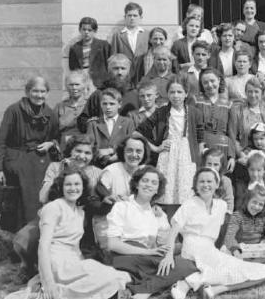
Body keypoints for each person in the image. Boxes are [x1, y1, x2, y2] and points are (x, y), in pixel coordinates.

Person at [0, 168, 131, 299]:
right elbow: (43, 246)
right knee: (111, 277)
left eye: (77, 184)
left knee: (118, 276)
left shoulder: (80, 211)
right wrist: (48, 282)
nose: (73, 188)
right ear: (61, 187)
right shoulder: (53, 208)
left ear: (83, 187)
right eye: (68, 185)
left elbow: (74, 246)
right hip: (56, 262)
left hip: (72, 262)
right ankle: (48, 298)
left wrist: (81, 266)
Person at [161, 168, 265, 299]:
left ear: (216, 184)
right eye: (201, 181)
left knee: (264, 271)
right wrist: (168, 255)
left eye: (209, 181)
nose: (205, 185)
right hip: (192, 247)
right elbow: (173, 232)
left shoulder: (221, 206)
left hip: (210, 249)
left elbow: (221, 232)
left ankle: (210, 288)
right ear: (196, 185)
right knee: (228, 269)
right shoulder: (189, 204)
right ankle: (185, 285)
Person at [14, 135, 102, 283]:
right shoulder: (55, 167)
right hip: (52, 216)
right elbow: (42, 197)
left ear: (93, 156)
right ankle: (27, 265)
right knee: (23, 240)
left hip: (80, 220)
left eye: (87, 153)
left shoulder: (97, 173)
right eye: (78, 151)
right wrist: (64, 172)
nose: (82, 156)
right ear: (70, 151)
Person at [105, 166, 198, 299]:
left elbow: (164, 244)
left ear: (157, 189)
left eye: (154, 183)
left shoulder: (157, 213)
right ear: (136, 184)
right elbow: (113, 244)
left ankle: (134, 291)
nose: (149, 185)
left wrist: (161, 219)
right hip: (126, 256)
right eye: (145, 180)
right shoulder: (122, 206)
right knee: (182, 267)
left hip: (148, 259)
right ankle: (143, 288)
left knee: (187, 264)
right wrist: (148, 252)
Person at [0, 76, 59, 231]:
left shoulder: (49, 113)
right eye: (35, 91)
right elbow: (1, 139)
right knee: (17, 202)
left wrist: (51, 143)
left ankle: (35, 234)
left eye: (43, 91)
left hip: (39, 162)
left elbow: (57, 137)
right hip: (16, 160)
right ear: (27, 92)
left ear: (47, 93)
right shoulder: (14, 110)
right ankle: (16, 238)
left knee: (38, 199)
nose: (39, 95)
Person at [137, 76, 199, 205]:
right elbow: (137, 133)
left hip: (187, 155)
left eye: (179, 92)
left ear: (186, 93)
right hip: (168, 154)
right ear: (167, 94)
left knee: (186, 192)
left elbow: (201, 135)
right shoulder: (162, 112)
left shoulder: (193, 112)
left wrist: (199, 154)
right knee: (166, 191)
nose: (175, 95)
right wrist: (156, 148)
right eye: (172, 92)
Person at [94, 136, 149, 247]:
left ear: (144, 154)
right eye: (129, 150)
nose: (134, 155)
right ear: (122, 151)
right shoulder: (111, 171)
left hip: (135, 223)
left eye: (138, 151)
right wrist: (108, 197)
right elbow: (99, 189)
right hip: (110, 223)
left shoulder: (146, 171)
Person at [77, 54, 139, 133]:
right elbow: (82, 121)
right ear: (109, 70)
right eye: (116, 68)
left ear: (128, 71)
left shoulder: (136, 95)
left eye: (123, 68)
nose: (119, 72)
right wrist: (93, 124)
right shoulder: (98, 95)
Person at [228, 77, 265, 167]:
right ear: (246, 92)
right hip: (245, 157)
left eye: (256, 92)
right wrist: (241, 155)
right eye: (249, 91)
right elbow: (232, 137)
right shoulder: (236, 111)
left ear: (262, 93)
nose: (252, 95)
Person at [224, 185, 265, 261]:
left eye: (260, 204)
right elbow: (229, 236)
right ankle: (249, 263)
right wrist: (236, 251)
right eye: (254, 202)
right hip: (241, 249)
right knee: (225, 249)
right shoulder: (237, 216)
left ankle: (256, 263)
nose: (256, 207)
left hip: (258, 248)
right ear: (247, 201)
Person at [193, 67, 235, 169]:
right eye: (205, 82)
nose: (210, 85)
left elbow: (231, 133)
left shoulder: (228, 105)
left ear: (219, 80)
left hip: (222, 148)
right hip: (201, 148)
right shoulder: (196, 101)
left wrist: (232, 156)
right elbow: (192, 128)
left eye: (212, 81)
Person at [86, 87, 135, 168]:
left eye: (112, 104)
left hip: (122, 165)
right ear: (101, 105)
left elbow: (132, 145)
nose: (108, 107)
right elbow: (88, 147)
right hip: (99, 166)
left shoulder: (128, 123)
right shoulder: (93, 124)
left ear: (119, 104)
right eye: (104, 104)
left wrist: (112, 150)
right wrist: (100, 153)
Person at [68, 16, 111, 90]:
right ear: (80, 30)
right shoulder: (75, 48)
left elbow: (110, 64)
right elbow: (73, 68)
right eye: (84, 29)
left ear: (95, 31)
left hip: (101, 83)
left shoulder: (104, 45)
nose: (86, 32)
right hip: (82, 83)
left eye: (89, 30)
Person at [234, 152, 265, 218]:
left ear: (264, 170)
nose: (255, 174)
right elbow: (238, 205)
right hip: (246, 217)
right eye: (252, 170)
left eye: (259, 170)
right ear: (247, 169)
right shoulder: (241, 184)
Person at [55, 71, 88, 151]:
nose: (74, 88)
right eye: (71, 85)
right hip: (64, 147)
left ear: (84, 85)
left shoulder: (89, 105)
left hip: (85, 147)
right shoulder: (60, 106)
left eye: (77, 84)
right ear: (66, 87)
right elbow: (53, 130)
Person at [202, 148, 234, 213]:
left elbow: (229, 202)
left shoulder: (226, 181)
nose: (212, 167)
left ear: (221, 166)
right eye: (209, 164)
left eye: (216, 164)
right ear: (204, 164)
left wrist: (226, 217)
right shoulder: (200, 179)